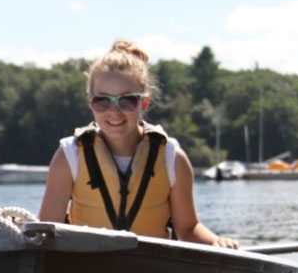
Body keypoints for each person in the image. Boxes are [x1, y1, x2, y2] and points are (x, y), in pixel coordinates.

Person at [39, 39, 238, 248]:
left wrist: (217, 241)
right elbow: (46, 232)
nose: (114, 112)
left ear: (144, 102)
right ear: (91, 103)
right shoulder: (68, 156)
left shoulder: (172, 158)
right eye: (103, 101)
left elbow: (188, 229)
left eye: (127, 101)